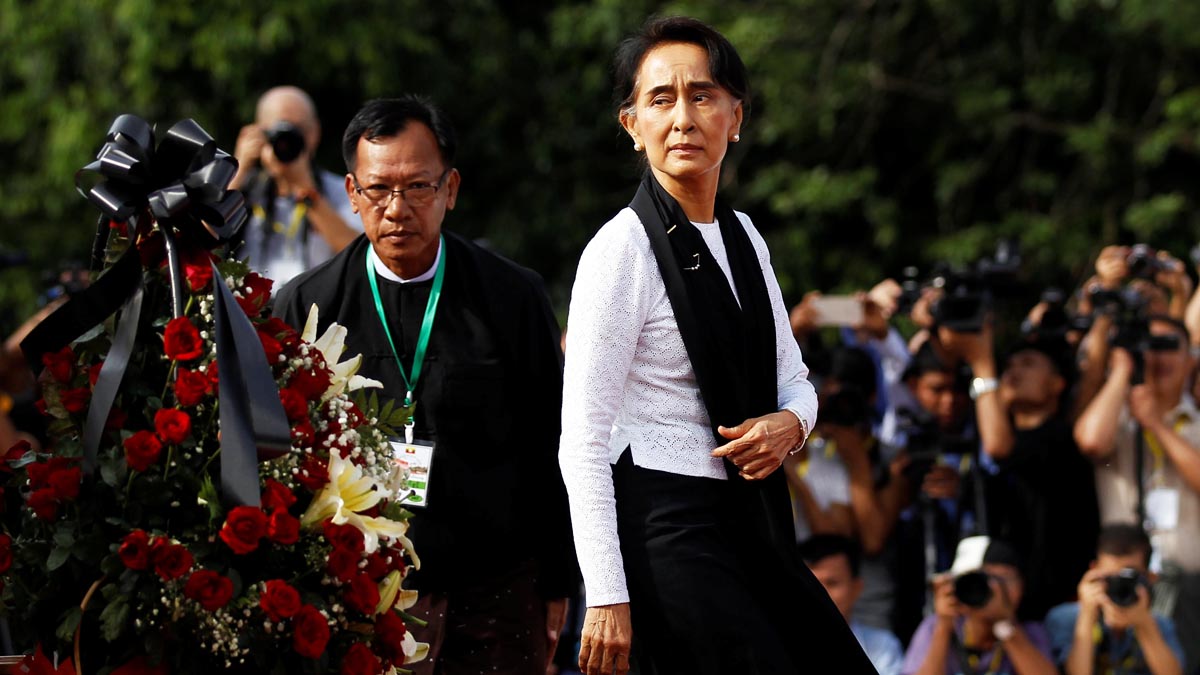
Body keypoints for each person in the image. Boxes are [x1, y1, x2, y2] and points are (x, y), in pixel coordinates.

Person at [558, 16, 875, 675]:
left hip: (750, 515)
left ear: (735, 116)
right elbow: (582, 440)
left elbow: (798, 381)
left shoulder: (744, 236)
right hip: (662, 525)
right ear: (631, 125)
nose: (682, 118)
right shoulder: (620, 250)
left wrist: (789, 424)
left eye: (701, 95)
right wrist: (607, 594)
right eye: (660, 99)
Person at [273, 96, 579, 675]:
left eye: (418, 187)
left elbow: (554, 444)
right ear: (350, 193)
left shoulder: (512, 298)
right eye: (378, 190)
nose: (397, 209)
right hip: (361, 593)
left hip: (496, 589)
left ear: (450, 189)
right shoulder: (307, 306)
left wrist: (560, 582)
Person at [937, 320, 1100, 620]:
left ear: (1057, 384)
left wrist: (983, 363)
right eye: (1008, 365)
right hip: (1005, 606)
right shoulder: (1003, 443)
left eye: (1028, 364)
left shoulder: (1062, 438)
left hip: (1059, 609)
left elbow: (1000, 449)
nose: (1013, 372)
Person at [1074, 315, 1200, 671]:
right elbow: (1090, 440)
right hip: (1120, 578)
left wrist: (1156, 424)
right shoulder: (1117, 416)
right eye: (1147, 347)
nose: (1156, 358)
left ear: (1191, 358)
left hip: (1189, 585)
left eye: (1167, 346)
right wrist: (1120, 372)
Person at [230, 85, 361, 286]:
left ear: (315, 133)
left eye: (298, 130)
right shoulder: (244, 189)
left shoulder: (342, 190)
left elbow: (359, 254)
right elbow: (203, 236)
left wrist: (306, 189)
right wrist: (238, 169)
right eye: (278, 131)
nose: (286, 142)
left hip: (314, 311)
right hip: (246, 309)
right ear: (259, 132)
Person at [902, 538, 1056, 675]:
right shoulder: (935, 627)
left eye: (1006, 579)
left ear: (1023, 587)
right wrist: (943, 628)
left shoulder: (1030, 632)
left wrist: (1005, 625)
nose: (995, 588)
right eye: (985, 579)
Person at [1045, 525, 1185, 675]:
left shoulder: (1160, 625)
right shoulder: (1065, 618)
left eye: (1128, 578)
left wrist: (1144, 624)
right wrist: (1086, 615)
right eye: (1110, 578)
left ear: (1150, 578)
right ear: (1093, 571)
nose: (1119, 587)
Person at [800, 535, 905, 675]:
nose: (821, 593)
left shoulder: (882, 646)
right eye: (813, 584)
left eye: (832, 583)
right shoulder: (778, 643)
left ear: (856, 589)